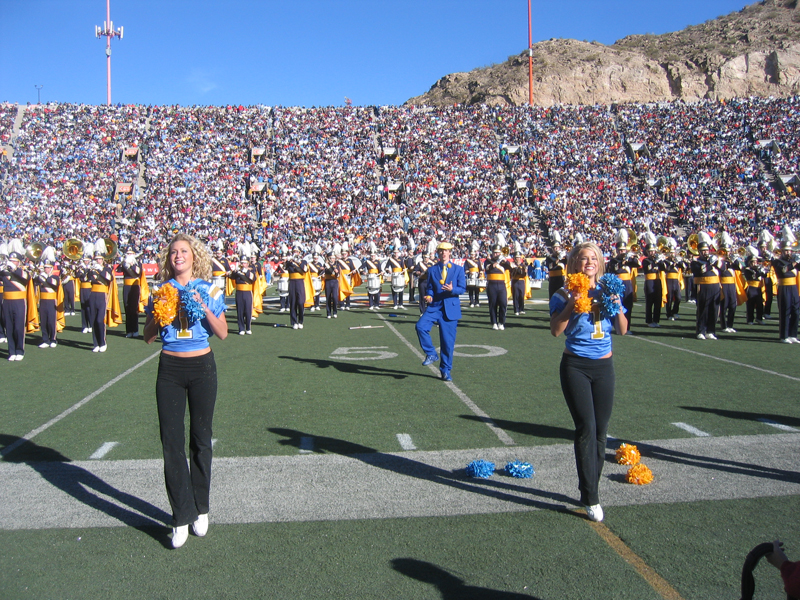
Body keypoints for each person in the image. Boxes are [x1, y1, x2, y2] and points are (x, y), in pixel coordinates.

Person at [143, 233, 228, 549]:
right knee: (171, 444)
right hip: (170, 370)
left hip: (202, 367)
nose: (178, 255)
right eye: (174, 252)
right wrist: (158, 315)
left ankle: (201, 508)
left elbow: (222, 333)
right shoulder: (160, 290)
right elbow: (147, 337)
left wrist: (203, 307)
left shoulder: (211, 288)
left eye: (184, 251)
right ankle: (180, 516)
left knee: (200, 440)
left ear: (195, 257)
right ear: (169, 259)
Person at [550, 242, 627, 522]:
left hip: (604, 366)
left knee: (601, 431)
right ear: (574, 263)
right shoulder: (562, 292)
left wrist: (617, 306)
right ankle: (592, 497)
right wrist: (572, 303)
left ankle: (589, 487)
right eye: (583, 258)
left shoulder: (609, 289)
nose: (589, 263)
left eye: (593, 258)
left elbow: (622, 329)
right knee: (586, 426)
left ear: (600, 263)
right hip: (576, 365)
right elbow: (555, 331)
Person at [415, 241, 465, 382]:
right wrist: (429, 295)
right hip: (435, 306)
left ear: (450, 252)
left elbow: (462, 288)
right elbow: (430, 287)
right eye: (441, 251)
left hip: (451, 307)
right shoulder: (432, 270)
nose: (443, 253)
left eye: (446, 250)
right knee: (420, 326)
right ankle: (431, 353)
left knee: (447, 343)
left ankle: (445, 370)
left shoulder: (458, 269)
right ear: (438, 253)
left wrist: (452, 290)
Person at [0, 250, 32, 361]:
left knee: (18, 327)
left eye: (15, 261)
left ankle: (19, 351)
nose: (12, 262)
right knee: (9, 327)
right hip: (6, 301)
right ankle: (11, 351)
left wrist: (13, 268)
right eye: (11, 260)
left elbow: (27, 278)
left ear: (19, 263)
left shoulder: (22, 272)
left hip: (19, 302)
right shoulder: (4, 272)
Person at [690, 241, 721, 340]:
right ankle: (700, 331)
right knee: (703, 310)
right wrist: (711, 264)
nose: (705, 252)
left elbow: (723, 268)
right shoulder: (695, 262)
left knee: (714, 310)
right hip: (703, 287)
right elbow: (702, 270)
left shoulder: (713, 260)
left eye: (707, 250)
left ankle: (710, 331)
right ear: (699, 251)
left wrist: (717, 261)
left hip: (715, 286)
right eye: (703, 251)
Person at [771, 240, 800, 343]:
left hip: (793, 287)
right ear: (782, 252)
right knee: (785, 311)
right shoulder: (778, 261)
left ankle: (793, 334)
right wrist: (795, 262)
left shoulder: (793, 261)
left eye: (790, 251)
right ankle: (784, 336)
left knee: (796, 311)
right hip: (784, 287)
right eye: (786, 251)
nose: (789, 253)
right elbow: (784, 270)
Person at [485, 245, 512, 330]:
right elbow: (488, 268)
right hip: (491, 285)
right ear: (492, 253)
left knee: (503, 303)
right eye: (494, 252)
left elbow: (510, 267)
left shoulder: (503, 262)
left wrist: (505, 261)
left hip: (501, 285)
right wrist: (494, 264)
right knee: (493, 304)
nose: (496, 254)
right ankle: (494, 322)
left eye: (497, 252)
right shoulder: (488, 261)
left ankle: (501, 322)